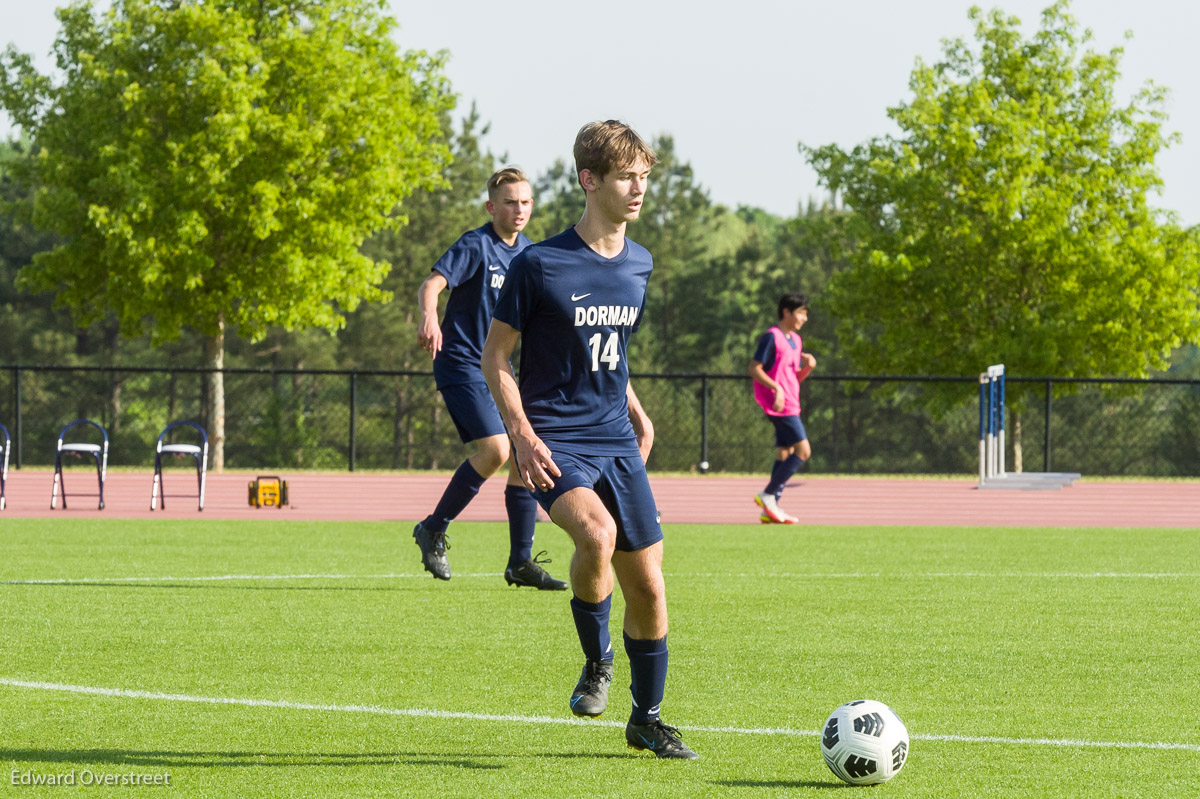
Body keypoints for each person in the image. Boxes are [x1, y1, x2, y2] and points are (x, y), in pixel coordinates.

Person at [481, 121, 698, 760]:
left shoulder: (640, 263)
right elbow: (496, 358)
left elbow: (611, 352)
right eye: (627, 177)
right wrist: (519, 434)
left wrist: (638, 411)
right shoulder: (539, 263)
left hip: (616, 439)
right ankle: (597, 661)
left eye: (644, 177)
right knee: (596, 536)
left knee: (652, 588)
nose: (639, 189)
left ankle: (647, 718)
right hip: (556, 440)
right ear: (589, 180)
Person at [412, 167, 566, 591]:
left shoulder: (531, 255)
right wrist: (429, 316)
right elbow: (432, 284)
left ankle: (520, 561)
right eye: (511, 202)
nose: (519, 210)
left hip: (500, 370)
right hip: (462, 361)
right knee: (497, 449)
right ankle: (433, 528)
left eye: (526, 202)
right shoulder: (475, 244)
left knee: (525, 452)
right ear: (491, 207)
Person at [748, 293, 816, 524]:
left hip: (792, 402)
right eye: (801, 312)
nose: (804, 318)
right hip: (780, 405)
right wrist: (776, 388)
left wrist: (807, 368)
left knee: (784, 453)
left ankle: (771, 507)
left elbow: (792, 378)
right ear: (786, 312)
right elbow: (754, 368)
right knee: (803, 451)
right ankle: (767, 495)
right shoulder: (772, 337)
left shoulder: (796, 340)